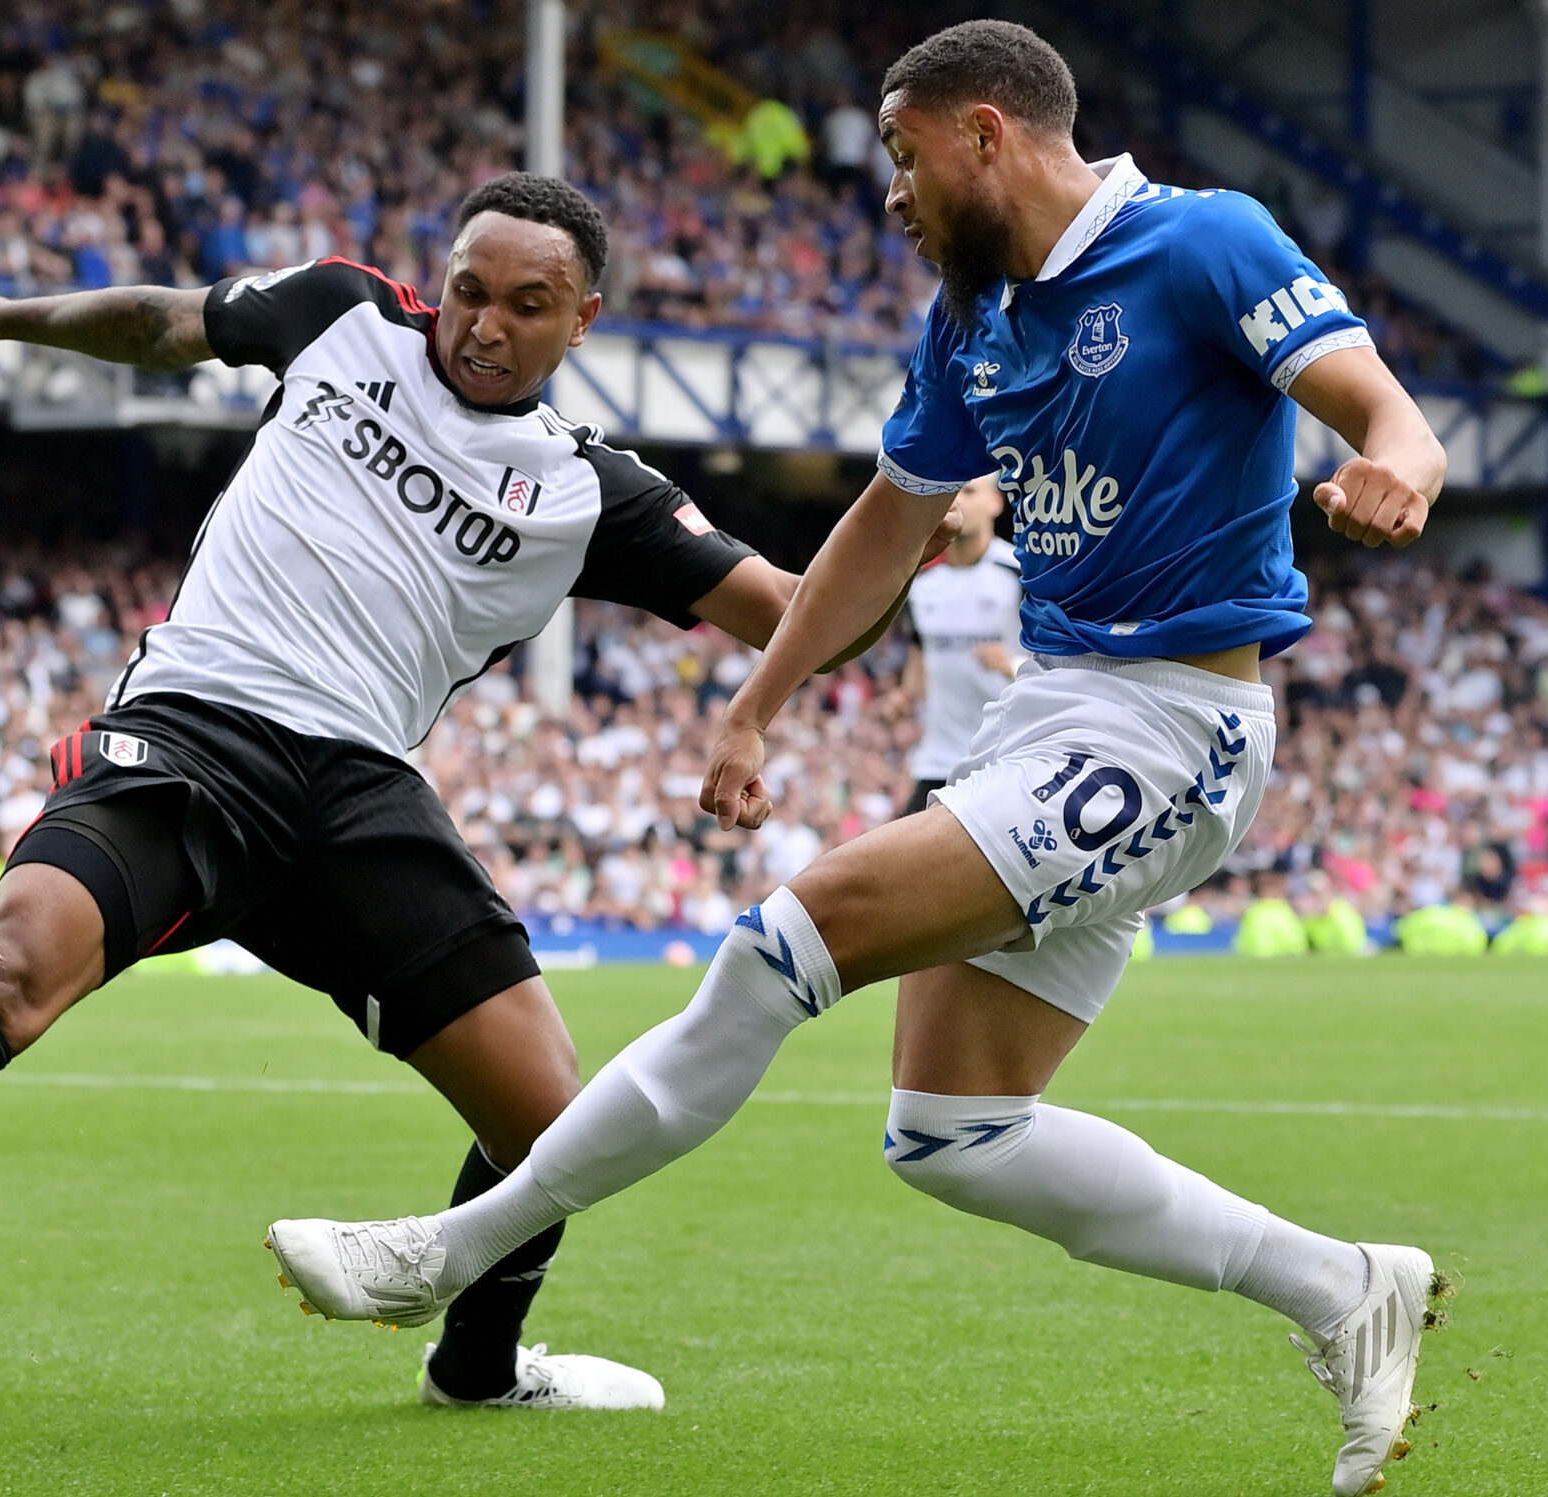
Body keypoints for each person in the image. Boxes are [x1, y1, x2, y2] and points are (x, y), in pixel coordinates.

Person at [266, 25, 1453, 1497]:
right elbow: (884, 526)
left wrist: (1397, 459)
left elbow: (1375, 398)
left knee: (788, 943)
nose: (888, 193)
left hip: (1173, 730)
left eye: (900, 157)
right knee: (953, 1129)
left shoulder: (1201, 243)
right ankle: (1346, 1288)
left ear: (982, 135)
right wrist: (758, 703)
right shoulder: (975, 320)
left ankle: (447, 1251)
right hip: (1055, 716)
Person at [0, 175, 957, 1412]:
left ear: (581, 319)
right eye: (468, 289)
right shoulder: (343, 316)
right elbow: (167, 323)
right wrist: (11, 317)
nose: (484, 324)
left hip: (357, 797)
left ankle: (479, 1367)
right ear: (436, 279)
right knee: (9, 969)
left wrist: (913, 527)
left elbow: (798, 618)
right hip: (192, 733)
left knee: (552, 1120)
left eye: (524, 304)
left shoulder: (592, 493)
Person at [901, 474, 1019, 810]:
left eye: (968, 491)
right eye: (948, 493)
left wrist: (1012, 665)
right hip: (938, 761)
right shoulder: (922, 585)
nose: (957, 501)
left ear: (996, 502)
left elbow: (1059, 663)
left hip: (1006, 758)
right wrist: (901, 699)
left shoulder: (1021, 574)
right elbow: (919, 666)